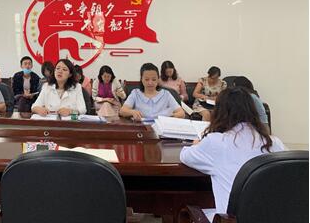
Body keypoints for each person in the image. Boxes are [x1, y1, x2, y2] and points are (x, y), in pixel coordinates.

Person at [180, 87, 286, 221]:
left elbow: (185, 156)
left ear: (219, 112)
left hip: (232, 219)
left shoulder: (216, 142)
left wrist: (196, 144)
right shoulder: (274, 143)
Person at [120, 63, 184, 121]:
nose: (150, 83)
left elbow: (181, 113)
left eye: (154, 79)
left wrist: (168, 118)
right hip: (142, 128)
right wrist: (132, 112)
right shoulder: (135, 93)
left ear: (158, 79)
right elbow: (122, 111)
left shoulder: (166, 94)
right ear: (141, 79)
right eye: (146, 79)